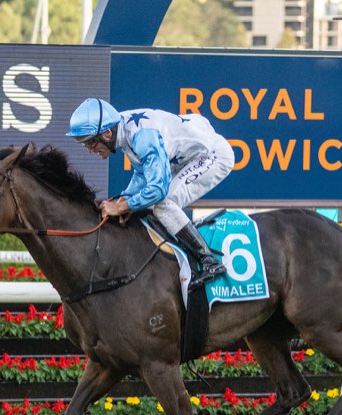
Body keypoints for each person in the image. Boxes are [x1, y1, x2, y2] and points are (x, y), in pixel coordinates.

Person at [66, 97, 234, 288]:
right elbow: (142, 173)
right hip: (184, 158)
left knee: (163, 205)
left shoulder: (142, 137)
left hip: (211, 155)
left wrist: (121, 206)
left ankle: (209, 261)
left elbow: (157, 189)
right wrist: (125, 198)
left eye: (90, 143)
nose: (89, 150)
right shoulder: (121, 128)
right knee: (148, 205)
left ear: (106, 134)